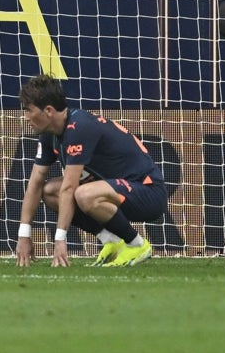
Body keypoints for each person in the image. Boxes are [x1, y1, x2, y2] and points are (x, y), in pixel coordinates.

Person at [14, 74, 167, 268]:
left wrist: (60, 240)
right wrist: (24, 235)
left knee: (83, 194)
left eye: (28, 110)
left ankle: (137, 244)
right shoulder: (49, 135)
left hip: (148, 192)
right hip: (114, 189)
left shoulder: (79, 128)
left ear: (49, 111)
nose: (25, 117)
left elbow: (70, 188)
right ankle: (112, 240)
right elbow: (36, 182)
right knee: (50, 191)